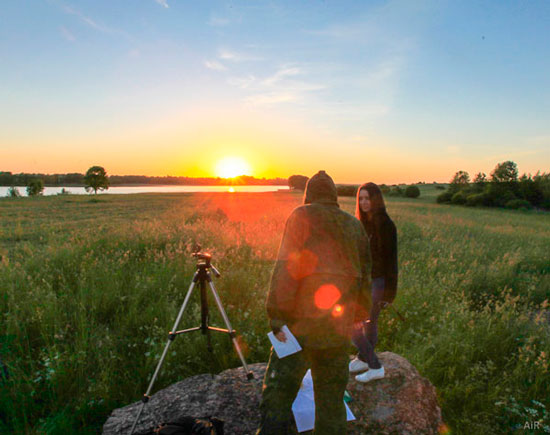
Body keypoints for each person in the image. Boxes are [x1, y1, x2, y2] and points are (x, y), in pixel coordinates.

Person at [257, 170, 371, 435]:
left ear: (309, 195)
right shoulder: (355, 226)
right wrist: (358, 317)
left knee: (279, 393)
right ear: (334, 197)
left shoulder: (301, 216)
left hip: (299, 328)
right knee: (332, 401)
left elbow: (286, 270)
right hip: (338, 329)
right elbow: (366, 277)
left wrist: (276, 317)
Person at [349, 182, 398, 383]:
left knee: (352, 324)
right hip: (362, 281)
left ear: (376, 199)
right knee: (369, 323)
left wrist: (390, 293)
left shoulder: (386, 225)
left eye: (367, 198)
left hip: (377, 282)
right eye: (361, 198)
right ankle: (363, 358)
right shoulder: (361, 223)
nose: (363, 202)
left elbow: (391, 261)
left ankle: (375, 366)